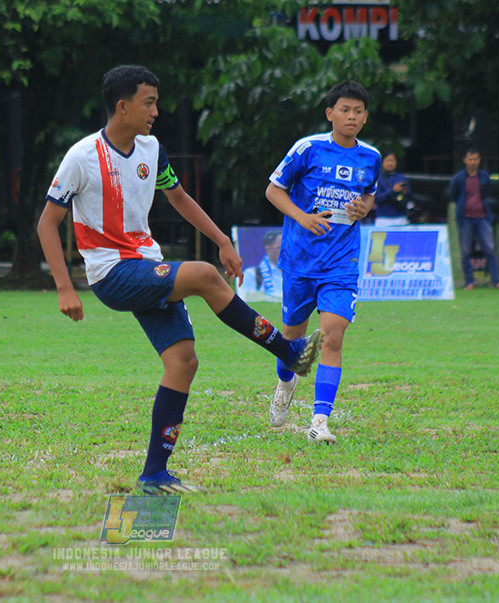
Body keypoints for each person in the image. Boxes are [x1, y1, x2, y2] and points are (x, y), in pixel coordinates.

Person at [36, 65, 323, 496]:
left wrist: (222, 240)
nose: (156, 111)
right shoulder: (81, 156)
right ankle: (289, 351)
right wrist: (63, 287)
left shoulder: (151, 149)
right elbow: (47, 223)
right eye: (149, 103)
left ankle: (154, 474)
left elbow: (179, 198)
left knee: (183, 363)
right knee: (205, 275)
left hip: (145, 263)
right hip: (112, 273)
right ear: (122, 106)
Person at [264, 80, 380, 444]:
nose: (351, 116)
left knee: (333, 335)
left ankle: (319, 421)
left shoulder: (371, 157)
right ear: (330, 114)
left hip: (341, 262)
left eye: (358, 111)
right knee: (292, 339)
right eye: (344, 110)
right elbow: (273, 190)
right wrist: (302, 217)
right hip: (300, 260)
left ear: (365, 117)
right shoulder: (308, 148)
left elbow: (369, 196)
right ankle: (286, 384)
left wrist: (364, 208)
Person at [448, 148, 499, 290]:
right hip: (465, 218)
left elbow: (486, 192)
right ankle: (469, 282)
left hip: (482, 217)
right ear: (464, 160)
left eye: (475, 159)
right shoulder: (458, 178)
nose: (473, 162)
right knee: (465, 251)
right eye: (470, 159)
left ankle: (496, 281)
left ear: (479, 160)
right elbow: (452, 194)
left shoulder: (484, 177)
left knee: (490, 249)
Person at [240, 230, 283, 301]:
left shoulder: (296, 274)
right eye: (281, 248)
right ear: (268, 249)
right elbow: (246, 299)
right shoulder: (252, 274)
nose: (287, 252)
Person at [373, 151, 411, 227]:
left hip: (401, 218)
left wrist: (405, 192)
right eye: (388, 160)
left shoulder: (401, 178)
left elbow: (410, 196)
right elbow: (377, 198)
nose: (390, 163)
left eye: (392, 161)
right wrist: (393, 191)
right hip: (383, 219)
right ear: (382, 162)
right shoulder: (377, 178)